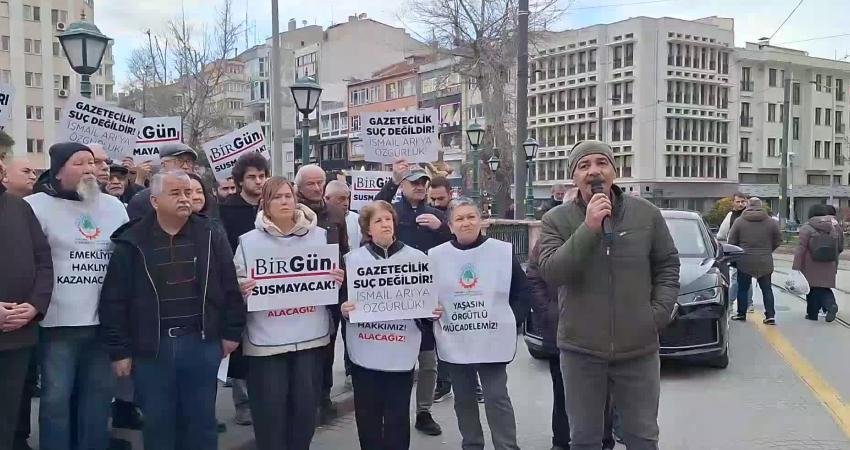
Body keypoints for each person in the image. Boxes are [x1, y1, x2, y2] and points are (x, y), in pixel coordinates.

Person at [537, 140, 680, 450]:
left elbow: (667, 266)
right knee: (585, 439)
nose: (594, 171)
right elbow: (551, 271)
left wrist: (655, 315)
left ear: (615, 171)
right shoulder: (556, 220)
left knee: (642, 437)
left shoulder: (647, 215)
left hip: (638, 349)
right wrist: (589, 227)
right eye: (584, 165)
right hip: (581, 351)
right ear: (573, 177)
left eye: (601, 163)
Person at [99, 170, 245, 450]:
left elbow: (229, 286)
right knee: (158, 424)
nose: (185, 199)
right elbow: (114, 301)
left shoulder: (211, 234)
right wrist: (120, 351)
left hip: (201, 344)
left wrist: (231, 333)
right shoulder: (131, 242)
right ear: (155, 200)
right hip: (152, 349)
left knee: (201, 423)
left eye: (188, 193)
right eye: (176, 193)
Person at [25, 142, 129, 450]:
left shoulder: (112, 206)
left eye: (92, 163)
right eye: (79, 163)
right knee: (56, 400)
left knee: (98, 399)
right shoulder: (34, 206)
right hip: (58, 324)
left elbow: (126, 258)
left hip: (104, 323)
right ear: (58, 171)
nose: (89, 169)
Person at [232, 177, 344, 450]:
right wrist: (241, 287)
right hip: (265, 342)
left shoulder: (320, 237)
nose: (284, 201)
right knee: (269, 413)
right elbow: (234, 283)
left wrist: (338, 278)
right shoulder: (248, 242)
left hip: (309, 338)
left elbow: (332, 281)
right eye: (276, 197)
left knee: (304, 412)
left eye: (288, 196)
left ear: (296, 201)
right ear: (265, 205)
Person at [340, 200, 443, 450]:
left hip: (400, 351)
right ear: (367, 230)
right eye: (378, 220)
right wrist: (343, 309)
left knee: (397, 416)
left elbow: (425, 302)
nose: (385, 224)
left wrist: (431, 311)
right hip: (365, 350)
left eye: (388, 219)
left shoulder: (417, 259)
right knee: (367, 416)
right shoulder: (352, 261)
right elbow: (341, 301)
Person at [429, 198, 531, 450]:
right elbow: (427, 297)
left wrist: (510, 320)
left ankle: (506, 446)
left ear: (481, 221)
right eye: (460, 218)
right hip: (456, 340)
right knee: (463, 399)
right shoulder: (436, 257)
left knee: (497, 397)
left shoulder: (501, 252)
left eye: (471, 217)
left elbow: (523, 291)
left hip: (492, 339)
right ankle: (472, 444)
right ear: (450, 225)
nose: (466, 223)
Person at [375, 159, 452, 436]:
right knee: (396, 357)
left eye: (423, 183)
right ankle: (391, 411)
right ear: (403, 186)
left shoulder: (438, 215)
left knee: (428, 359)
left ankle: (423, 411)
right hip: (396, 295)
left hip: (428, 297)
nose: (419, 187)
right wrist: (392, 181)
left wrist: (441, 227)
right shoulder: (392, 212)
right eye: (413, 182)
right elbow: (371, 215)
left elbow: (458, 245)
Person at [0, 154, 53, 450]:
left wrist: (34, 305)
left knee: (6, 421)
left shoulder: (20, 208)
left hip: (16, 336)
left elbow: (44, 262)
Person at [294, 164, 350, 423]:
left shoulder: (336, 213)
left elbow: (344, 250)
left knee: (327, 345)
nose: (316, 188)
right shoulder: (291, 212)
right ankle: (302, 399)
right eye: (310, 184)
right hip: (298, 292)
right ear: (298, 187)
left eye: (320, 183)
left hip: (331, 292)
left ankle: (323, 397)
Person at [218, 152, 270, 426]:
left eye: (262, 176)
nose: (258, 182)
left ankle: (262, 398)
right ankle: (243, 403)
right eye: (252, 177)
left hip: (268, 288)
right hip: (238, 286)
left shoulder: (270, 208)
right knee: (239, 345)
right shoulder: (226, 209)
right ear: (240, 181)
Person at [728, 197, 782, 324]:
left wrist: (737, 254)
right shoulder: (771, 222)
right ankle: (770, 315)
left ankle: (741, 313)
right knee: (767, 289)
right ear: (761, 206)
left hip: (744, 260)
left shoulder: (739, 221)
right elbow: (778, 240)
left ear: (748, 205)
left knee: (743, 288)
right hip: (765, 260)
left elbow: (732, 241)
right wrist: (768, 250)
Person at [793, 204, 843, 322]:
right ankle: (831, 305)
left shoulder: (806, 227)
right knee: (825, 287)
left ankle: (813, 314)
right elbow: (839, 247)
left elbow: (801, 248)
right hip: (830, 262)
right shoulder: (834, 227)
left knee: (811, 288)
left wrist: (796, 266)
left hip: (811, 263)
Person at [126, 143, 198, 220]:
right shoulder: (142, 200)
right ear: (163, 164)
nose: (185, 167)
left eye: (189, 162)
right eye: (179, 161)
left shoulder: (200, 196)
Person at [717, 192, 754, 311]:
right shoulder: (730, 216)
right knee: (738, 278)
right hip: (735, 253)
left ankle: (739, 303)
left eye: (742, 202)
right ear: (733, 202)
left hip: (747, 252)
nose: (740, 204)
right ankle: (742, 303)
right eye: (738, 202)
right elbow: (721, 234)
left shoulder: (750, 215)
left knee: (743, 279)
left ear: (747, 202)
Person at [324, 179, 361, 250]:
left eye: (348, 198)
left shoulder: (358, 219)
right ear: (327, 198)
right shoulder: (317, 219)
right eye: (341, 199)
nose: (346, 203)